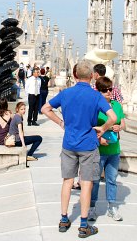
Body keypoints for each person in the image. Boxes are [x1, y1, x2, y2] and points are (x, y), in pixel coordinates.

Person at [42, 60, 117, 238]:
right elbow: (112, 117)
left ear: (75, 75)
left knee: (67, 181)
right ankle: (84, 225)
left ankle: (63, 219)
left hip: (69, 144)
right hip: (89, 145)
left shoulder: (66, 93)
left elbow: (45, 108)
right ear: (92, 76)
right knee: (86, 184)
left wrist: (61, 123)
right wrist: (103, 129)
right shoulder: (96, 96)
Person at [89, 76, 126, 222]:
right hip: (99, 150)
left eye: (110, 89)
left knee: (111, 180)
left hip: (114, 150)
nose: (109, 92)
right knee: (96, 180)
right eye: (105, 90)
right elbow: (89, 127)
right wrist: (99, 138)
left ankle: (112, 207)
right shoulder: (94, 106)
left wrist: (119, 127)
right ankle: (92, 208)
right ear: (98, 91)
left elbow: (123, 123)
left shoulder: (116, 105)